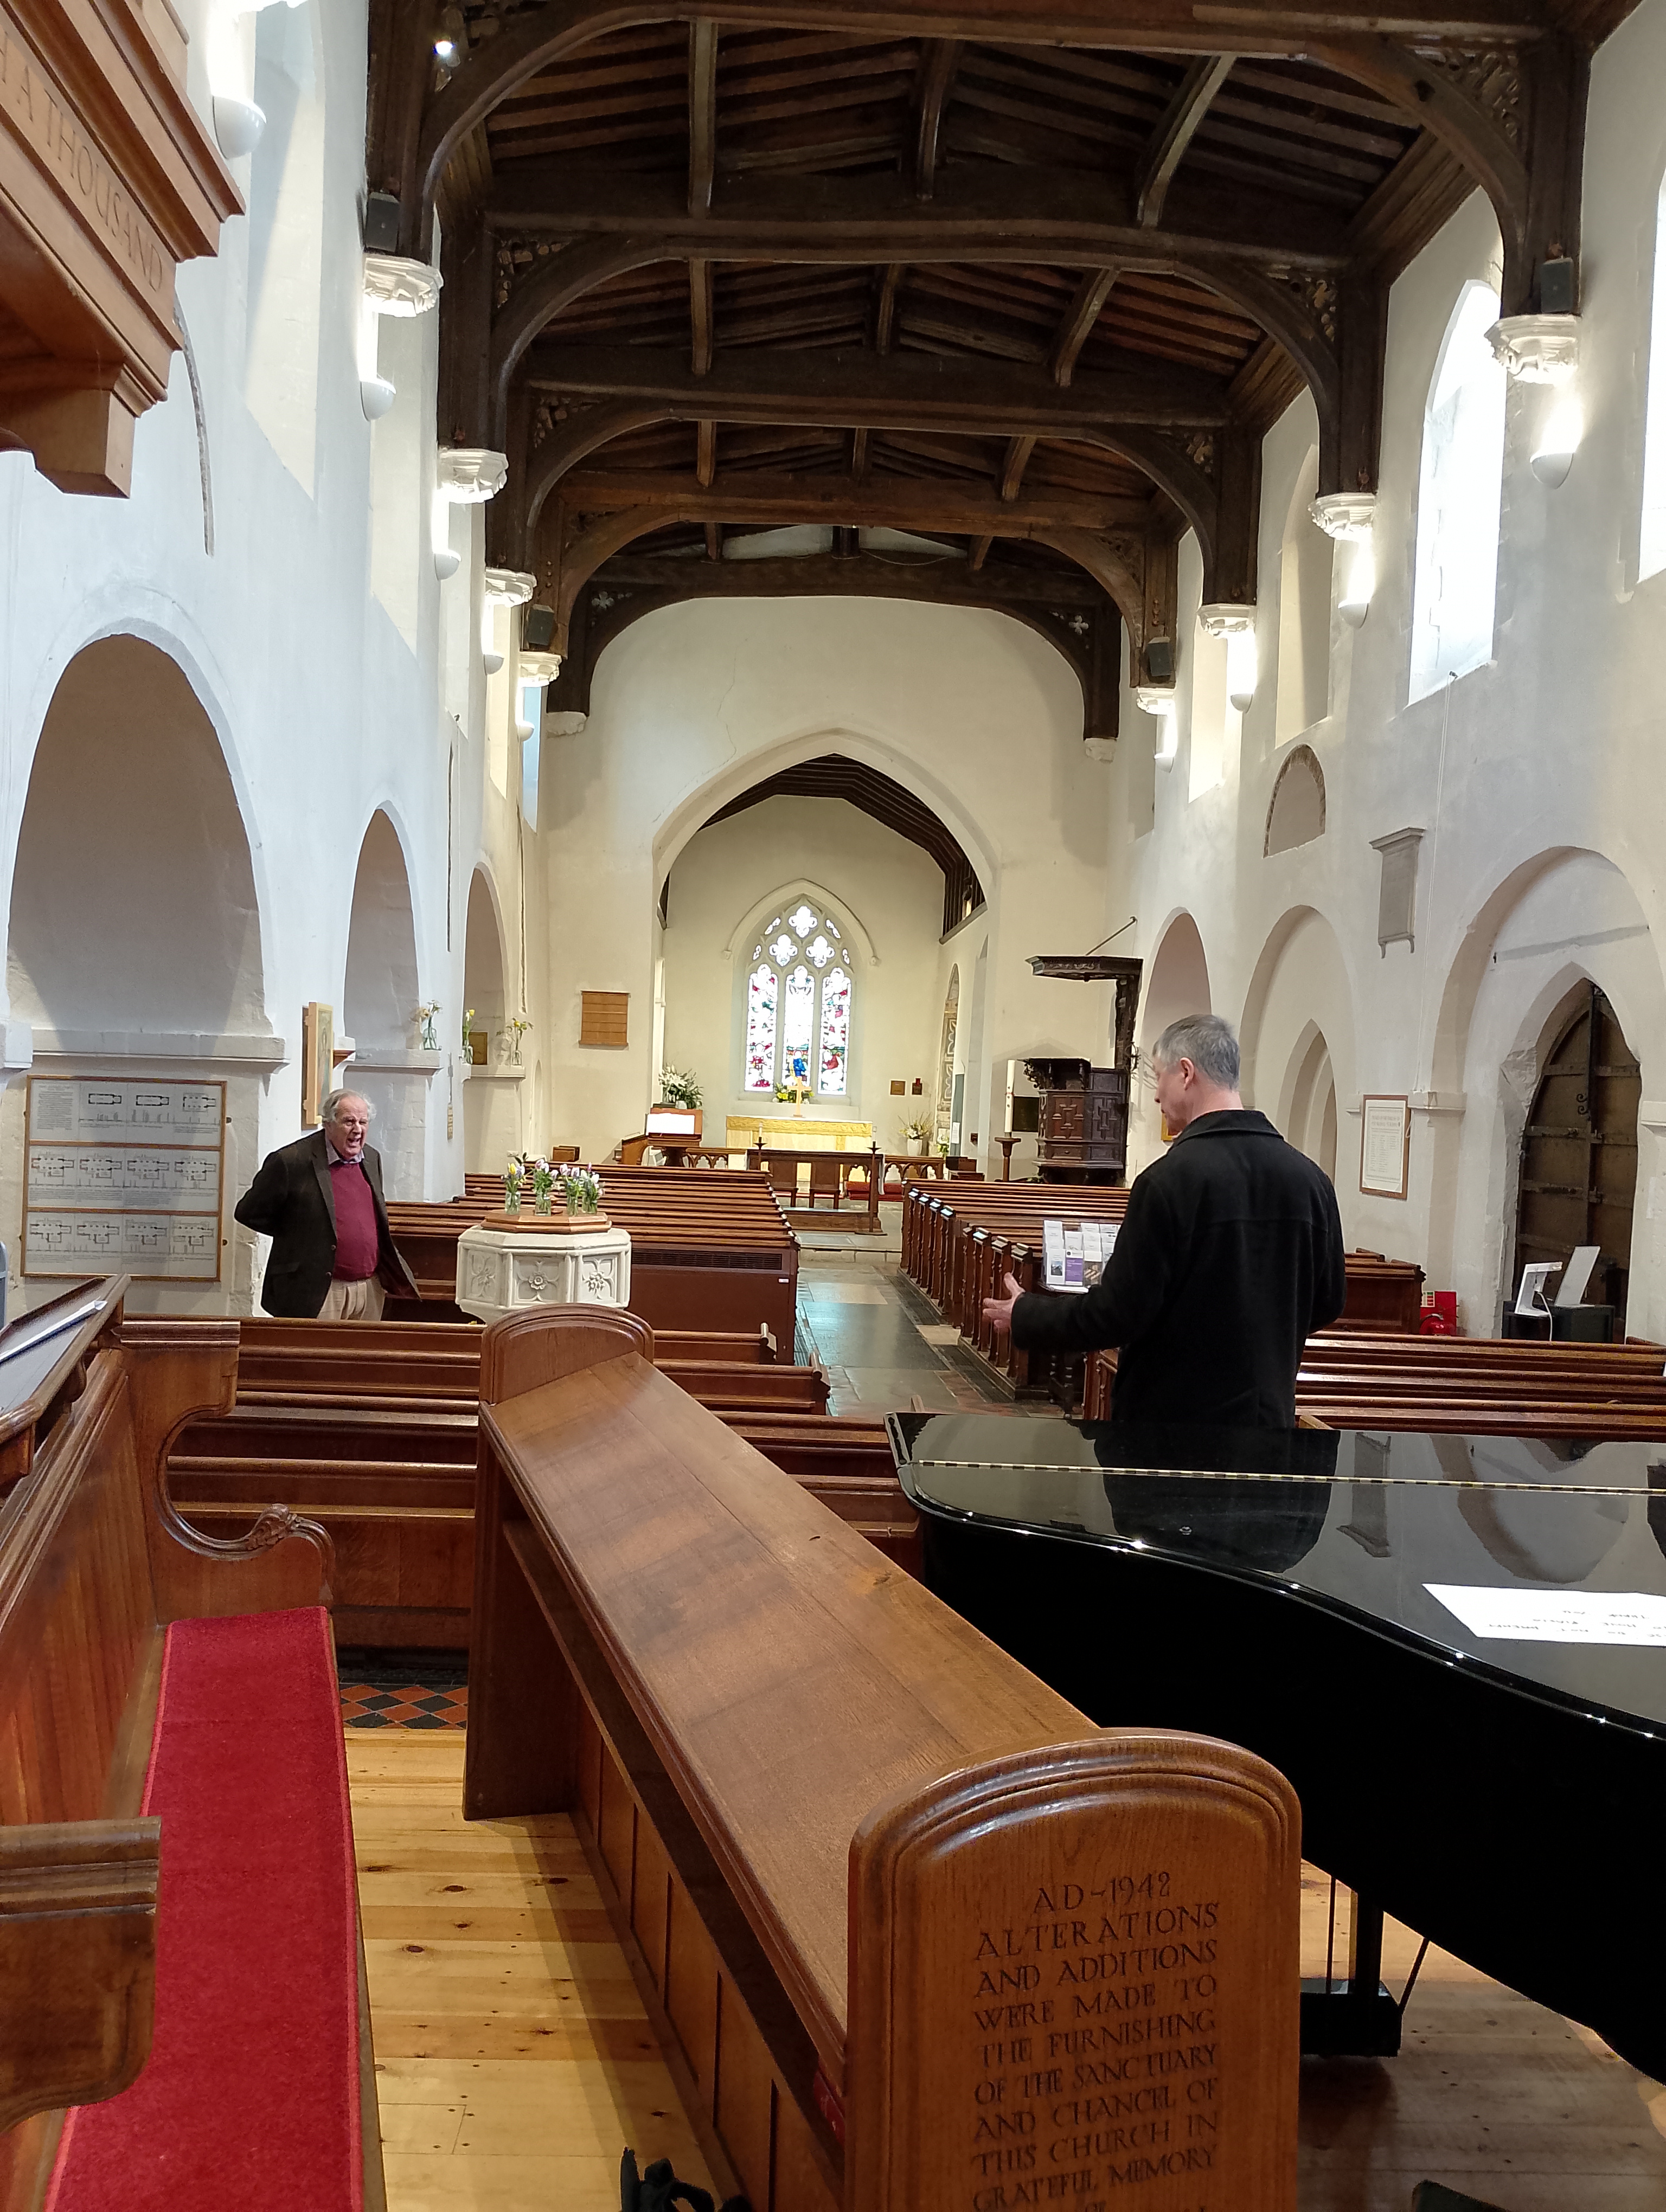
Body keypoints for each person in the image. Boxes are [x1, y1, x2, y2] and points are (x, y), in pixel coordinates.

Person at [982, 1014, 1345, 1427]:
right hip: (1268, 1424)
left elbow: (1119, 1312)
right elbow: (1328, 1301)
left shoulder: (1168, 1182)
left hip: (1172, 1429)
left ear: (1186, 1073)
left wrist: (1027, 1315)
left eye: (1159, 1077)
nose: (1156, 1096)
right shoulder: (1312, 1181)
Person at [234, 1088, 420, 1319]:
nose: (357, 1130)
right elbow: (248, 1212)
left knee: (363, 1355)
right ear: (328, 1124)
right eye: (349, 1122)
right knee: (314, 1354)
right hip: (318, 1289)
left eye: (363, 1122)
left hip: (369, 1287)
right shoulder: (291, 1161)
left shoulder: (371, 1158)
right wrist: (302, 1234)